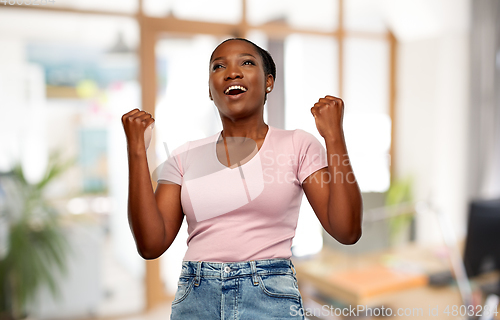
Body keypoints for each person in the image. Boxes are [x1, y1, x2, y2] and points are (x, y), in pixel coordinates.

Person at [121, 38, 363, 319]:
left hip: (270, 296)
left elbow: (347, 230)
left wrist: (334, 136)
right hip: (196, 299)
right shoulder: (183, 156)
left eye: (246, 62)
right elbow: (151, 244)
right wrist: (136, 150)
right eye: (218, 66)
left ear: (269, 82)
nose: (231, 72)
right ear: (211, 91)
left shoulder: (298, 145)